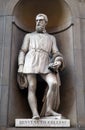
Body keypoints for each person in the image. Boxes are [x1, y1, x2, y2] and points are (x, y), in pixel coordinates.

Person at [18, 13, 64, 119]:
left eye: (41, 20)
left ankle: (49, 110)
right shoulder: (29, 36)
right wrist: (21, 65)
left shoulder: (51, 38)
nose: (38, 22)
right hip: (31, 60)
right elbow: (23, 50)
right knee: (32, 86)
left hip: (46, 61)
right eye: (37, 20)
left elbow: (56, 52)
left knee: (53, 83)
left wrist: (58, 61)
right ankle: (35, 113)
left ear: (45, 22)